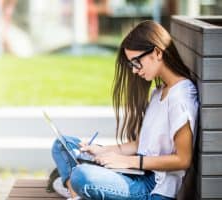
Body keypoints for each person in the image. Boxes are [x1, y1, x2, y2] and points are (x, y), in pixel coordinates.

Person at [51, 20, 199, 200]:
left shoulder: (181, 97)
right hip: (138, 172)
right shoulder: (159, 92)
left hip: (154, 188)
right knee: (63, 144)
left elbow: (183, 159)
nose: (135, 71)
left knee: (82, 176)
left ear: (157, 53)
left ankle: (73, 188)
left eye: (137, 62)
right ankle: (74, 189)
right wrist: (103, 151)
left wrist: (127, 161)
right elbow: (141, 145)